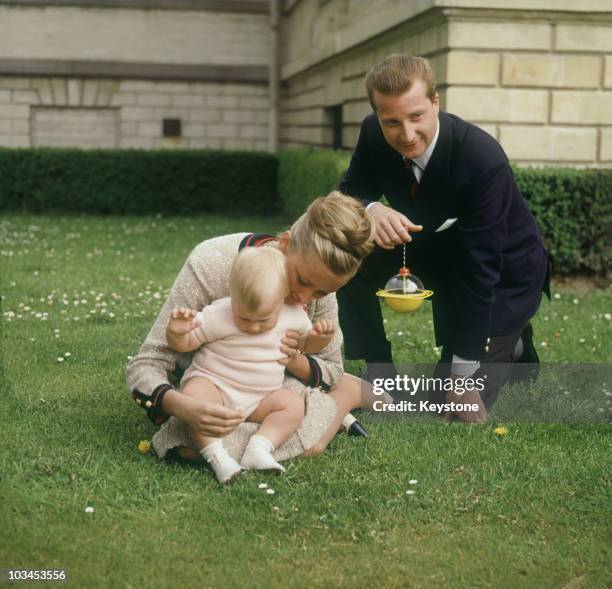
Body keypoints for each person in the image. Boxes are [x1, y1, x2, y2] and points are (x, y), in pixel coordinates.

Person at [337, 54, 550, 422]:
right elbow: (351, 191)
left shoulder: (482, 158)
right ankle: (378, 367)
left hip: (503, 272)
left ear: (436, 102)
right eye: (392, 122)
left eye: (417, 116)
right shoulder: (373, 132)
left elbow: (480, 270)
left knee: (445, 398)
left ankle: (512, 341)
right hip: (435, 244)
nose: (406, 134)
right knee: (344, 255)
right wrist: (372, 209)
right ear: (377, 116)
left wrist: (462, 375)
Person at [126, 191, 380, 470]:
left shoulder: (319, 294)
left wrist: (296, 358)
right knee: (187, 448)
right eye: (301, 280)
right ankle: (333, 410)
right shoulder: (212, 263)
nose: (305, 299)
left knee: (310, 440)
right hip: (210, 389)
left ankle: (346, 398)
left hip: (276, 394)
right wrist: (180, 406)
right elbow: (148, 362)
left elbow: (332, 369)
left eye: (322, 291)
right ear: (285, 243)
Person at [165, 247, 336, 483]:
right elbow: (185, 343)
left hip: (261, 398)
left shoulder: (293, 315)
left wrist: (320, 338)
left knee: (292, 405)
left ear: (283, 297)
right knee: (194, 395)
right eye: (243, 317)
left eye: (264, 319)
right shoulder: (219, 313)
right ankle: (217, 457)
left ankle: (259, 448)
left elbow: (307, 347)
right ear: (232, 296)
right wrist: (176, 332)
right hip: (217, 388)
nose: (253, 327)